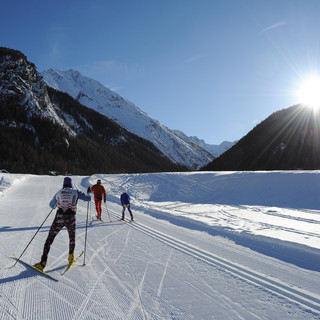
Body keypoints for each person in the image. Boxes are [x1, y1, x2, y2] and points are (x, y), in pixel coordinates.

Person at [34, 177, 90, 271]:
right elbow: (88, 199)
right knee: (72, 238)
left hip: (59, 217)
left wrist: (58, 202)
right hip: (71, 218)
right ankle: (70, 258)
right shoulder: (76, 192)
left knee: (50, 239)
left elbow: (51, 205)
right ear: (71, 184)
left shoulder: (59, 192)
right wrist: (88, 192)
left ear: (63, 184)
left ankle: (43, 262)